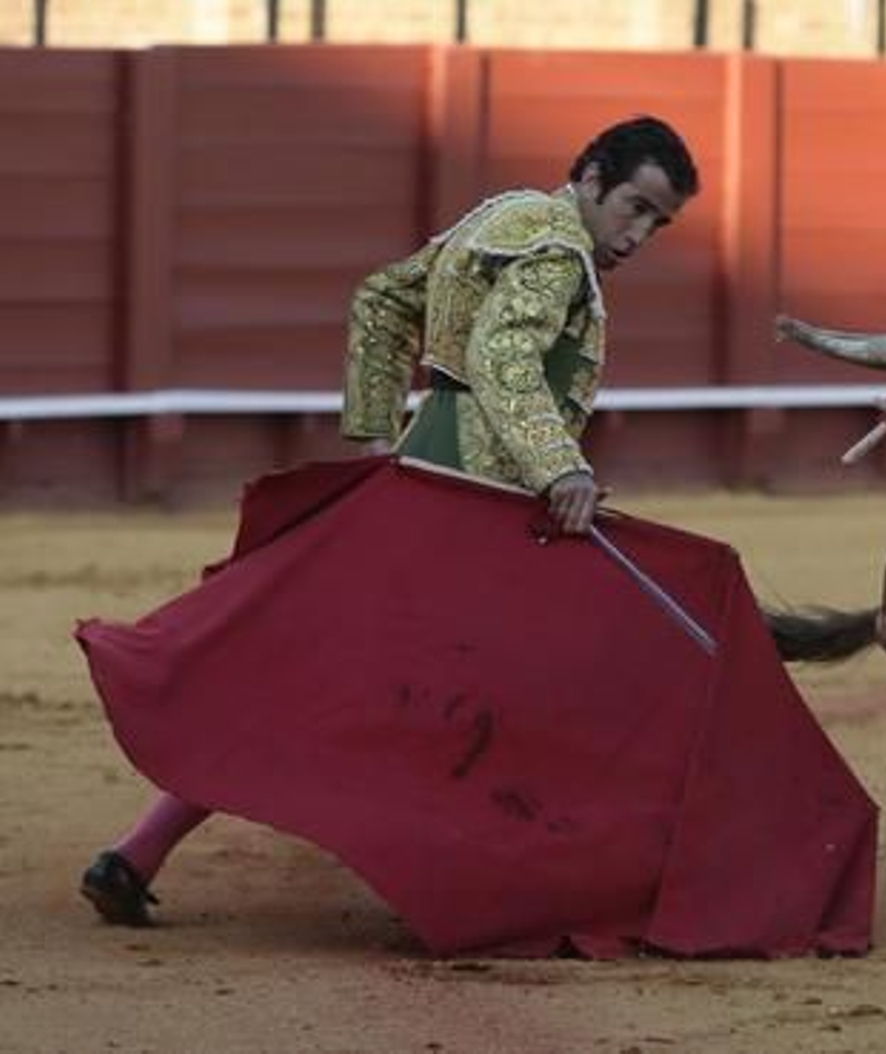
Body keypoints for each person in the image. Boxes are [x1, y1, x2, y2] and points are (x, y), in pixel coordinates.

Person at [79, 115, 700, 926]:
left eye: (659, 220)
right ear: (589, 179)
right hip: (484, 495)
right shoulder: (557, 254)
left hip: (419, 469)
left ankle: (137, 853)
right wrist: (562, 466)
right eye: (634, 205)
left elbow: (381, 300)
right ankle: (484, 881)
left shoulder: (501, 218)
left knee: (318, 677)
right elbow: (503, 359)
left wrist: (377, 439)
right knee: (492, 686)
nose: (640, 232)